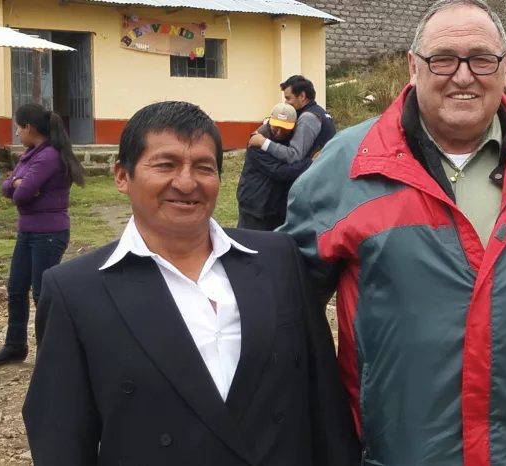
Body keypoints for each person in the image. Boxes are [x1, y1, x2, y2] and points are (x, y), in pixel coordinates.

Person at [279, 0, 506, 463]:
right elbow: (284, 307)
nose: (464, 76)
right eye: (443, 59)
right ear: (413, 67)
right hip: (396, 453)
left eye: (482, 59)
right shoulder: (346, 168)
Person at [22, 101, 359, 465]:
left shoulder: (278, 258)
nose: (186, 183)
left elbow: (325, 402)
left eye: (203, 167)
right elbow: (61, 439)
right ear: (122, 176)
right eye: (165, 164)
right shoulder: (76, 292)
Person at [0, 104, 85, 365]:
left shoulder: (48, 156)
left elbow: (21, 194)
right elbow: (9, 188)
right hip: (27, 233)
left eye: (18, 127)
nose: (17, 133)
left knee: (42, 293)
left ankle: (50, 352)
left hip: (49, 234)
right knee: (16, 289)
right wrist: (16, 183)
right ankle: (15, 346)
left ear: (29, 128)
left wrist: (19, 186)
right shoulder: (30, 155)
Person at [236, 103, 310, 231]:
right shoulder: (257, 142)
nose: (280, 131)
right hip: (255, 206)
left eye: (285, 128)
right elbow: (280, 172)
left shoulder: (292, 143)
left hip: (275, 209)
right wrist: (309, 162)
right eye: (276, 127)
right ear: (270, 121)